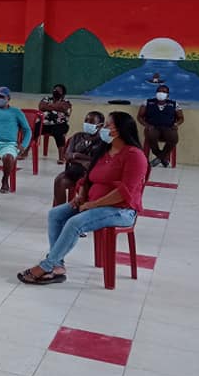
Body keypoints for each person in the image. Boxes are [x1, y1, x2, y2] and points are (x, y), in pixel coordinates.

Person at [18, 111, 148, 285]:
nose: (103, 129)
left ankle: (46, 266)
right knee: (55, 214)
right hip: (93, 204)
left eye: (107, 125)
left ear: (119, 130)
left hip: (121, 209)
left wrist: (93, 204)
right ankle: (57, 265)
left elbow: (124, 191)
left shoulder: (134, 155)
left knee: (75, 223)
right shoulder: (105, 150)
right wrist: (81, 196)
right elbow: (88, 178)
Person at [53, 111, 105, 206]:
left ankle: (83, 209)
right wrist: (81, 161)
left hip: (91, 176)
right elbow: (67, 156)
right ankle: (59, 209)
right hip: (74, 172)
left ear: (100, 126)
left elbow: (98, 160)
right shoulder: (77, 137)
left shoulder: (103, 141)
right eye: (86, 120)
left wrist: (77, 155)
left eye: (91, 122)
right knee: (59, 180)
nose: (87, 124)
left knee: (87, 189)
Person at [138, 83, 183, 167]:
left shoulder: (174, 104)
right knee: (150, 135)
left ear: (168, 94)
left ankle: (159, 158)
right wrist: (146, 125)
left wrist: (176, 124)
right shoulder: (147, 102)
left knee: (174, 138)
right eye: (159, 91)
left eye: (164, 91)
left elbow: (181, 118)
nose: (161, 93)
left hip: (168, 128)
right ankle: (163, 158)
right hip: (153, 127)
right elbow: (140, 117)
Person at [37, 84, 72, 162]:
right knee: (33, 129)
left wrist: (49, 106)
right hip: (45, 124)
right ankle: (25, 152)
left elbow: (64, 108)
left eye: (59, 90)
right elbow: (41, 107)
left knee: (58, 133)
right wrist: (56, 106)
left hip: (60, 124)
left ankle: (61, 157)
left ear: (63, 93)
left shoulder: (66, 101)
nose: (56, 91)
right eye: (55, 89)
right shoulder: (47, 98)